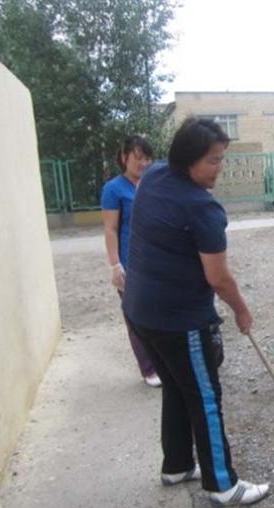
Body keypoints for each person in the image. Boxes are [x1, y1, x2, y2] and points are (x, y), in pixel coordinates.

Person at [122, 118, 269, 506]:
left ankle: (177, 465)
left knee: (175, 385)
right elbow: (218, 277)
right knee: (204, 396)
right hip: (178, 320)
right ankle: (223, 485)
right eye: (213, 161)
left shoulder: (153, 177)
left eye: (222, 159)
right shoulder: (201, 207)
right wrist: (242, 310)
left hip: (140, 311)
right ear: (188, 160)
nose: (220, 168)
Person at [100, 135, 161, 387]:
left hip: (155, 262)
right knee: (137, 319)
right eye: (137, 157)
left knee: (159, 315)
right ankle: (148, 368)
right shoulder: (114, 189)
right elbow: (111, 229)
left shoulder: (153, 183)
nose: (143, 163)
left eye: (147, 158)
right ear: (124, 158)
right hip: (130, 264)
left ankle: (163, 363)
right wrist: (115, 265)